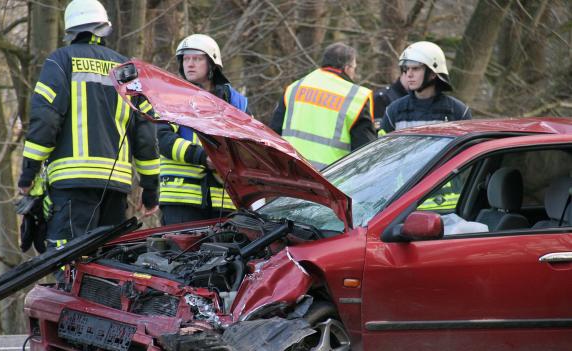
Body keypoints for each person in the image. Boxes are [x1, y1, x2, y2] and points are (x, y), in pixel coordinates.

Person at [17, 0, 160, 251]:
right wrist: (150, 190)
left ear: (69, 31)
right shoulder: (125, 69)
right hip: (115, 188)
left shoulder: (60, 61)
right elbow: (146, 135)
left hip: (72, 185)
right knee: (109, 266)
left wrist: (28, 173)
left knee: (70, 263)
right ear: (104, 28)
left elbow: (46, 120)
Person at [155, 34, 249, 226]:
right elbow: (164, 141)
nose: (189, 64)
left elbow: (249, 145)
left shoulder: (236, 102)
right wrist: (203, 157)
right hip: (180, 200)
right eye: (186, 59)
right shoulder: (170, 98)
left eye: (197, 59)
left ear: (212, 64)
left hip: (224, 200)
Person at [269, 42, 376, 170]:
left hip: (292, 173)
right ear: (347, 68)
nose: (354, 73)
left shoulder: (295, 88)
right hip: (333, 180)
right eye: (354, 68)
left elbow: (273, 133)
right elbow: (365, 151)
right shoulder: (355, 97)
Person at [378, 41, 471, 135]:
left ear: (433, 73)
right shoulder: (393, 111)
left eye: (415, 69)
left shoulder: (458, 111)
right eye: (406, 69)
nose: (409, 74)